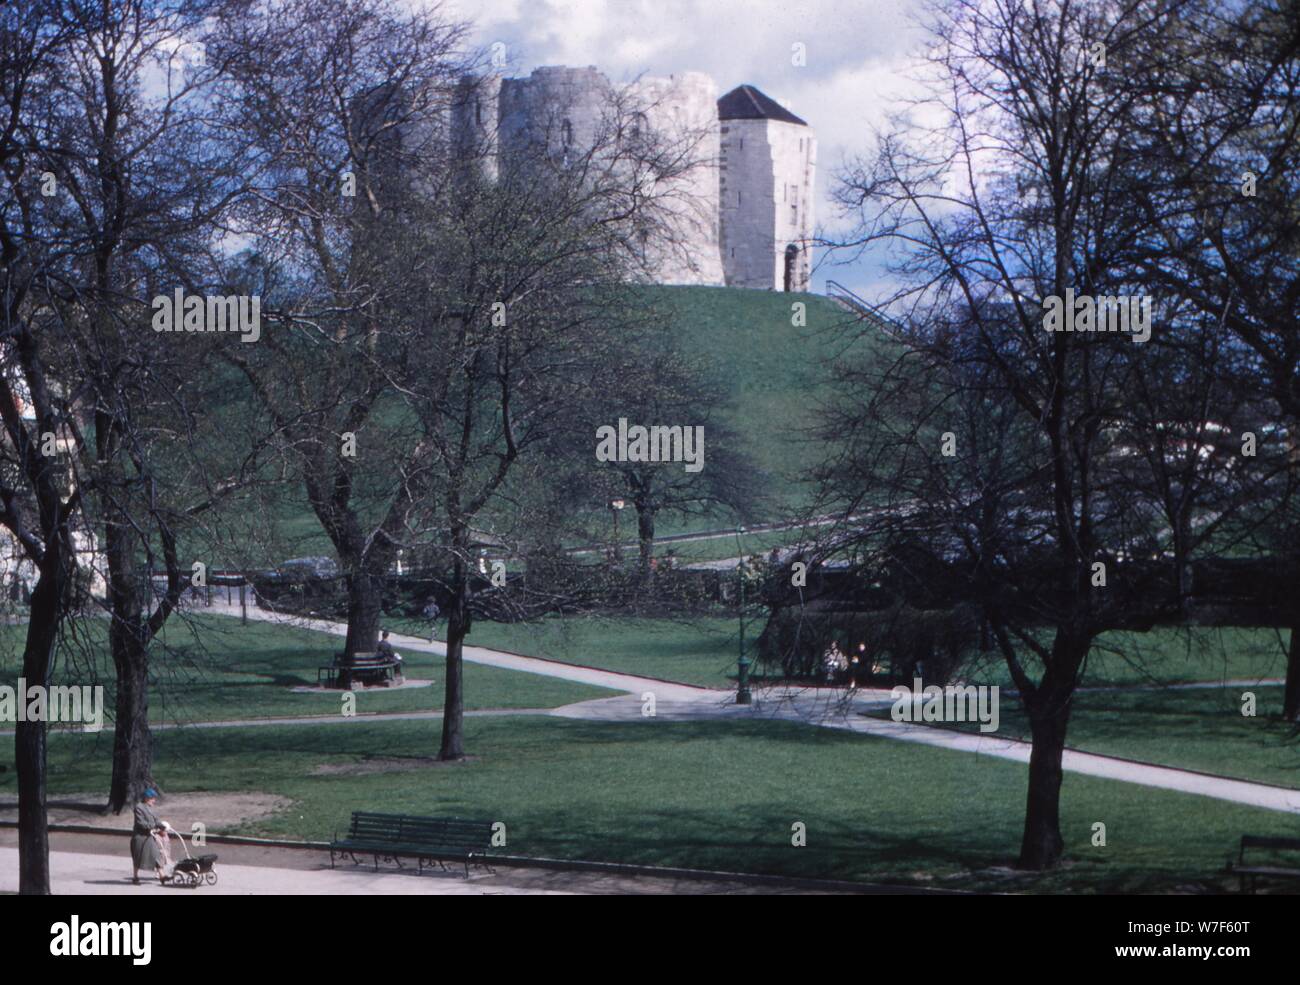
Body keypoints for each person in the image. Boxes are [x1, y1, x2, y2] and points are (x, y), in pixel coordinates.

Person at [131, 788, 173, 885]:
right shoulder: (139, 808)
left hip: (149, 836)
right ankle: (135, 877)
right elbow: (141, 823)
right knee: (138, 857)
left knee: (156, 855)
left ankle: (162, 876)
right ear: (147, 798)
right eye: (153, 798)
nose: (154, 800)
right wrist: (154, 826)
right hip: (140, 837)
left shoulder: (150, 808)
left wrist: (162, 825)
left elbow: (156, 820)